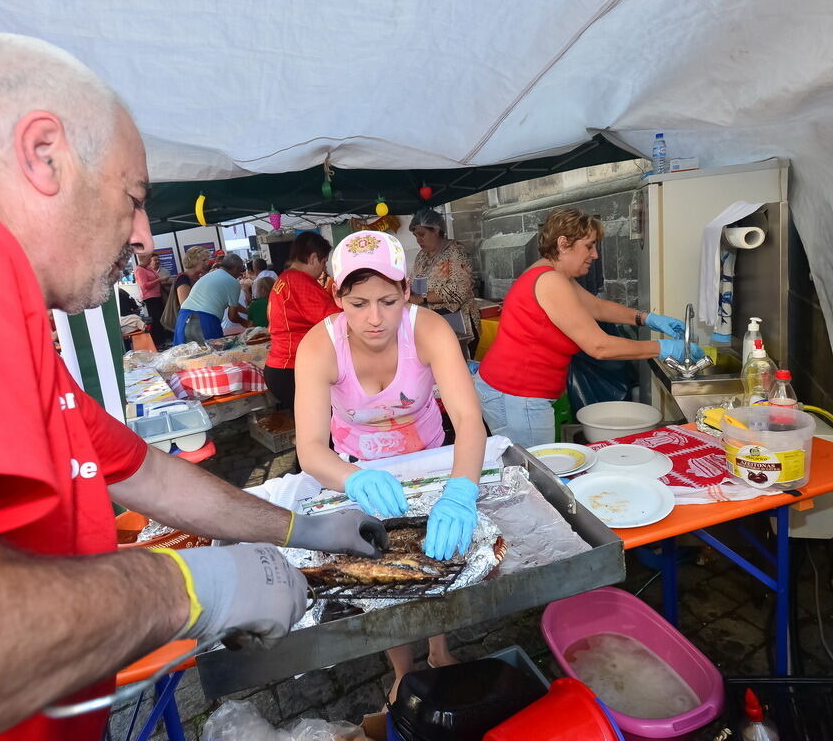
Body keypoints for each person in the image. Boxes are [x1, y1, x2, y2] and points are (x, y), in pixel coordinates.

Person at [0, 34, 389, 741]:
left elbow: (147, 473)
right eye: (133, 199)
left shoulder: (4, 312)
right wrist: (189, 589)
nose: (144, 238)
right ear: (44, 154)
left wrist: (303, 529)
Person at [295, 230, 487, 705]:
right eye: (358, 303)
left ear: (406, 290)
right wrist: (352, 477)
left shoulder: (428, 329)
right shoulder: (319, 347)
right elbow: (311, 448)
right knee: (382, 568)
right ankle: (403, 668)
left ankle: (440, 649)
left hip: (428, 455)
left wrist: (461, 489)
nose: (375, 319)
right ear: (337, 294)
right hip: (358, 468)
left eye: (387, 300)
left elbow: (468, 419)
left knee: (441, 558)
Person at [474, 208, 696, 447]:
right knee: (535, 473)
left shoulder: (552, 274)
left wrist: (646, 318)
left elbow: (597, 307)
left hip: (512, 392)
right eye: (589, 246)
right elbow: (599, 346)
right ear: (563, 244)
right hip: (517, 395)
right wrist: (662, 348)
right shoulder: (551, 282)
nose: (595, 254)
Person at [264, 231, 341, 410]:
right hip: (292, 367)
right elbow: (335, 320)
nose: (323, 270)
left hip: (282, 365)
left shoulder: (285, 278)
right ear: (313, 258)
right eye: (323, 263)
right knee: (325, 426)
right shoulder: (299, 281)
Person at [407, 208, 481, 356]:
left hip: (458, 323)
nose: (418, 240)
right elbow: (412, 282)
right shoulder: (421, 256)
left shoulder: (456, 252)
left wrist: (422, 298)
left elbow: (459, 290)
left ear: (436, 230)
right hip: (430, 323)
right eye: (416, 235)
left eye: (422, 234)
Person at [172, 252, 247, 344]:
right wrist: (247, 323)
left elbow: (232, 303)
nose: (240, 274)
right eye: (240, 270)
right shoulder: (233, 282)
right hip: (204, 321)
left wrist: (247, 311)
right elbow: (233, 317)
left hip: (183, 319)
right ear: (236, 268)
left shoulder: (209, 275)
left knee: (187, 356)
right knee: (213, 355)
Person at [134, 252, 171, 349]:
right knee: (156, 320)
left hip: (157, 296)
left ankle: (162, 341)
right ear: (143, 258)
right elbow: (144, 285)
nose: (150, 260)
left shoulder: (148, 268)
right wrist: (159, 280)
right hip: (150, 298)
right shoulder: (139, 270)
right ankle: (158, 343)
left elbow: (157, 277)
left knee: (160, 319)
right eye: (148, 258)